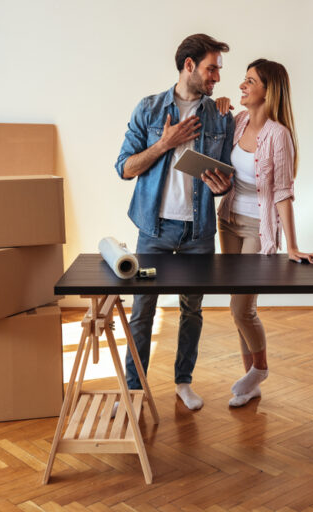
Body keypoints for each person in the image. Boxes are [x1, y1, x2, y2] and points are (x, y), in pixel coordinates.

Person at [115, 34, 235, 410]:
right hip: (154, 231)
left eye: (218, 69)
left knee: (192, 310)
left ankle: (183, 382)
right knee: (142, 312)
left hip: (198, 233)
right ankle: (134, 390)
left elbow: (226, 178)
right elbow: (124, 168)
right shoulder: (150, 110)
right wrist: (164, 144)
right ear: (189, 66)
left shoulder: (220, 115)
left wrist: (222, 185)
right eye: (211, 68)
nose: (216, 76)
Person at [215, 59, 313, 407]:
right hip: (227, 220)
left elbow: (284, 193)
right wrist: (218, 109)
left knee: (243, 308)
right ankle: (251, 385)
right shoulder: (238, 121)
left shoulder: (279, 135)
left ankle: (259, 369)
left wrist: (292, 246)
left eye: (250, 81)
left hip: (258, 230)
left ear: (268, 90)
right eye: (243, 81)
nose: (242, 86)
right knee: (236, 305)